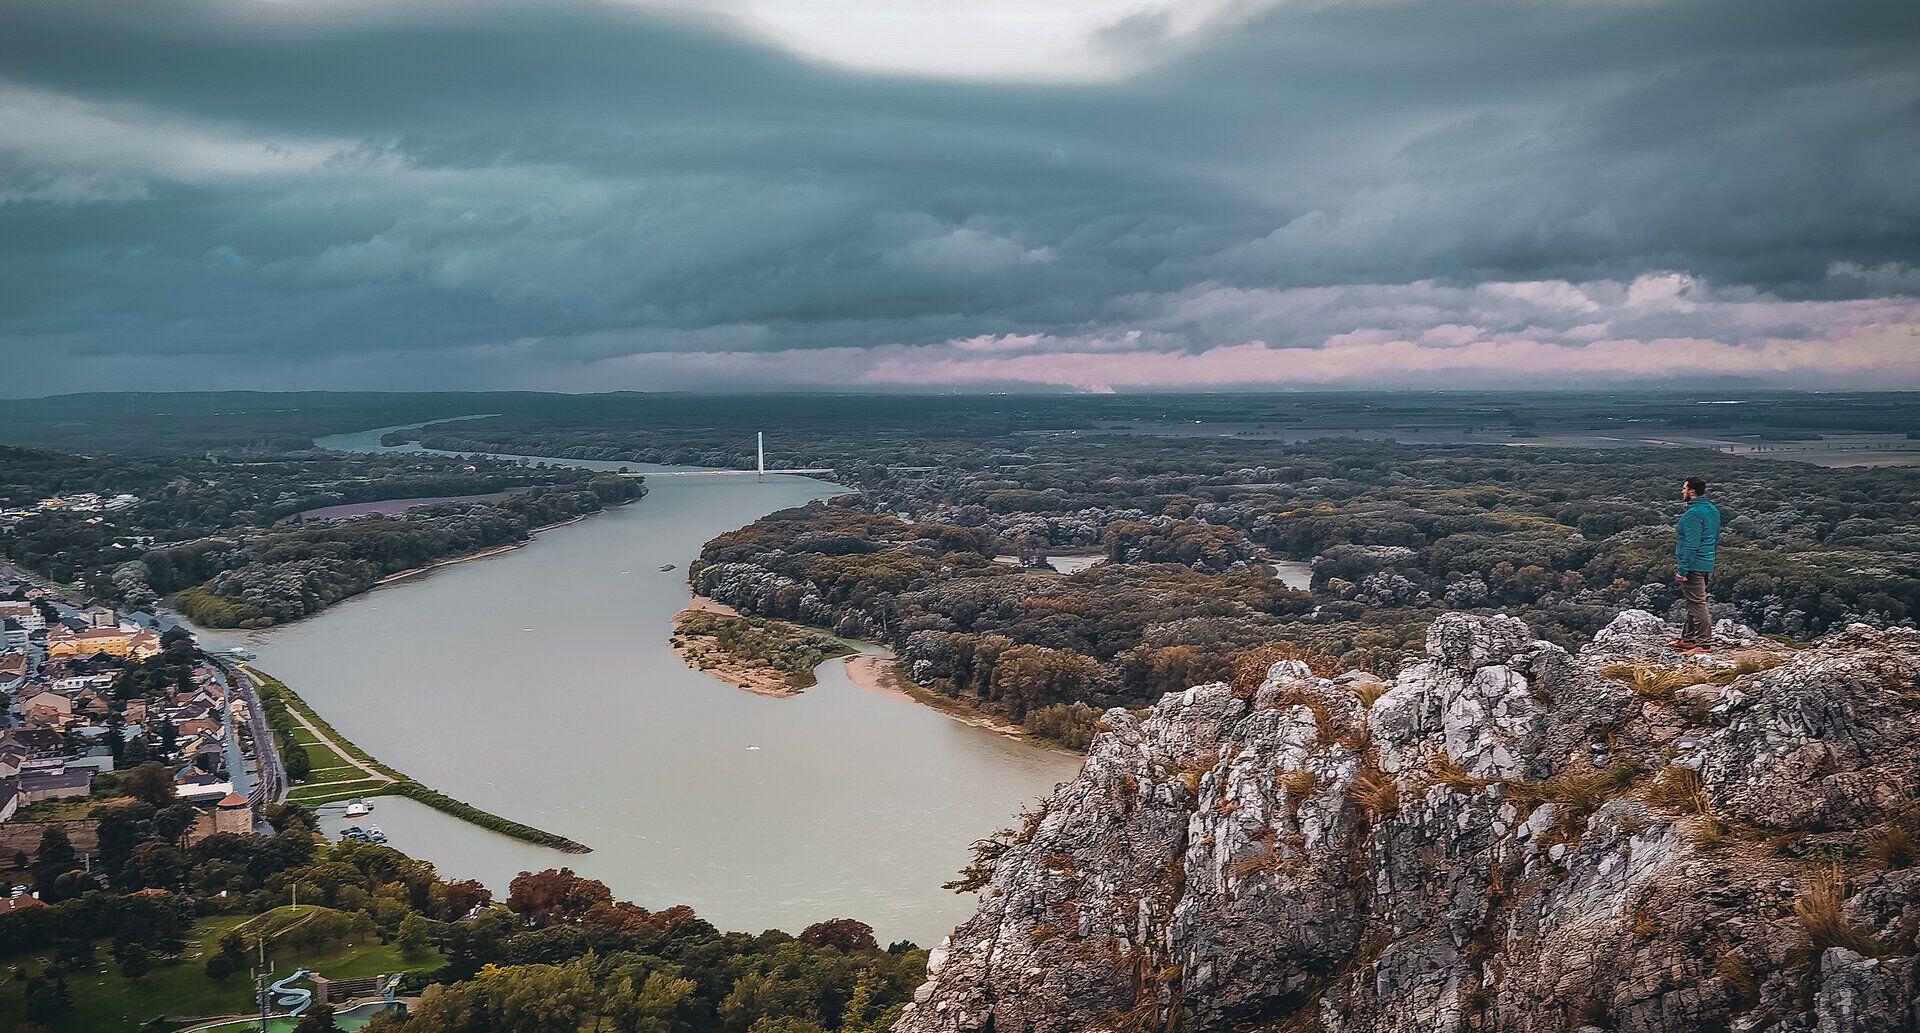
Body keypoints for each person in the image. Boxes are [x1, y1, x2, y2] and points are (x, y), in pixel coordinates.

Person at [1671, 475, 1721, 653]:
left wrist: (1683, 569)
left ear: (1691, 491)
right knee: (1694, 602)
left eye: (1684, 488)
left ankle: (1703, 643)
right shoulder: (1712, 510)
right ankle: (1689, 638)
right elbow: (1715, 539)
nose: (1682, 491)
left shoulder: (1692, 514)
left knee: (1697, 604)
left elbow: (1692, 544)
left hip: (1694, 565)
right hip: (1706, 563)